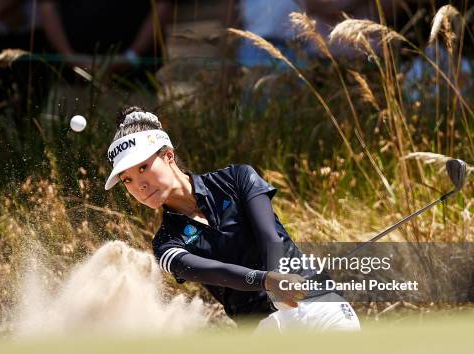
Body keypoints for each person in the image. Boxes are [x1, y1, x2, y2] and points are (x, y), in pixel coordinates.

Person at [103, 106, 361, 332]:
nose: (140, 185)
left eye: (143, 168)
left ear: (168, 155)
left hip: (314, 302)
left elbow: (269, 236)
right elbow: (216, 272)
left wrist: (279, 275)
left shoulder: (236, 178)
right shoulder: (166, 244)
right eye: (128, 180)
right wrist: (267, 281)